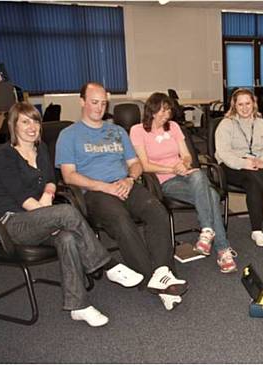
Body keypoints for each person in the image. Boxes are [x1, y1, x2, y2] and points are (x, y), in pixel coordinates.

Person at [0, 102, 144, 327]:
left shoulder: (41, 148)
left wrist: (49, 192)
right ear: (13, 125)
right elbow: (23, 199)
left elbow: (52, 179)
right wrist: (48, 212)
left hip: (39, 219)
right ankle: (108, 264)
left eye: (35, 120)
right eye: (24, 121)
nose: (31, 126)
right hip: (10, 224)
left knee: (68, 237)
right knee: (65, 211)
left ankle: (78, 305)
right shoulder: (3, 156)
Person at [55, 82, 187, 311]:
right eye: (94, 102)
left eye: (103, 103)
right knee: (121, 220)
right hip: (96, 192)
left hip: (125, 185)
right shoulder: (69, 135)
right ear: (82, 102)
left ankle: (164, 272)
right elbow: (69, 176)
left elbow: (135, 164)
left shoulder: (116, 131)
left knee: (157, 210)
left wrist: (129, 179)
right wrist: (103, 187)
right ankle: (155, 281)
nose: (99, 107)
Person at [130, 92, 237, 273]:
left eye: (169, 110)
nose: (167, 114)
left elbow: (186, 155)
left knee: (197, 174)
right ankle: (222, 249)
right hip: (164, 181)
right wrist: (172, 170)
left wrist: (184, 164)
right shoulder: (138, 130)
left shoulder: (173, 127)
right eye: (163, 110)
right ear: (152, 110)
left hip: (185, 175)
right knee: (210, 195)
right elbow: (145, 165)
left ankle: (207, 233)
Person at [214, 88, 263, 247]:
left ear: (253, 104)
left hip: (256, 168)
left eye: (247, 103)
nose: (244, 107)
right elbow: (224, 153)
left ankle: (256, 231)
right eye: (240, 104)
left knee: (253, 180)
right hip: (230, 168)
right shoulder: (226, 124)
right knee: (253, 174)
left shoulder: (261, 123)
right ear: (234, 105)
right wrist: (244, 163)